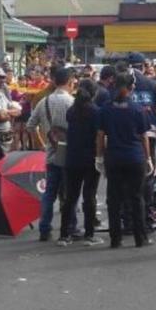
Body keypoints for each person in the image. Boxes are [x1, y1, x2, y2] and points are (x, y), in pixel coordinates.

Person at [96, 72, 154, 248]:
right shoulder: (137, 109)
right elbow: (144, 136)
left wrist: (99, 156)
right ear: (132, 87)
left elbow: (100, 135)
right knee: (137, 198)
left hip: (113, 158)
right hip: (135, 158)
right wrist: (148, 158)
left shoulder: (105, 108)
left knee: (114, 199)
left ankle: (115, 239)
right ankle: (140, 238)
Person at [28, 67, 75, 242]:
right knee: (69, 193)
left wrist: (41, 142)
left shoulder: (43, 102)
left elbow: (30, 125)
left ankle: (44, 228)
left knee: (49, 194)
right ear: (70, 82)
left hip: (51, 153)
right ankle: (71, 226)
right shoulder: (72, 102)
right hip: (69, 154)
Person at [59, 79, 104, 247]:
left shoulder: (71, 111)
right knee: (89, 196)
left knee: (70, 197)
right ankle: (89, 234)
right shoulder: (96, 112)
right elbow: (98, 135)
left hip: (72, 157)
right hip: (90, 158)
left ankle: (64, 234)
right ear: (93, 94)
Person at [123, 54, 156, 233]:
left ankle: (129, 219)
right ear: (143, 65)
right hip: (149, 134)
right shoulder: (151, 84)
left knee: (127, 180)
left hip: (127, 136)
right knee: (147, 175)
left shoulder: (121, 82)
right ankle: (146, 217)